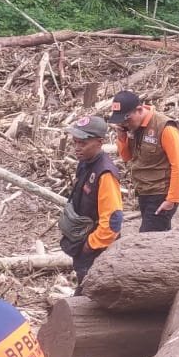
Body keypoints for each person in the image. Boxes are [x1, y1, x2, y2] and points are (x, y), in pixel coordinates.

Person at [59, 115, 123, 290]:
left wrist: (90, 245)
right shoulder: (85, 163)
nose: (77, 148)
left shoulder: (105, 173)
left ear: (100, 142)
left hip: (97, 248)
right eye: (75, 142)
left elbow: (113, 222)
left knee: (92, 292)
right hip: (82, 238)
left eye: (83, 144)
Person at [108, 90, 179, 232]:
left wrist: (172, 199)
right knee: (159, 240)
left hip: (161, 194)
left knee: (146, 239)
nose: (125, 124)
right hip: (144, 191)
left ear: (139, 110)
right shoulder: (134, 128)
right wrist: (122, 136)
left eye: (127, 119)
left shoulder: (164, 127)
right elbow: (127, 157)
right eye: (122, 121)